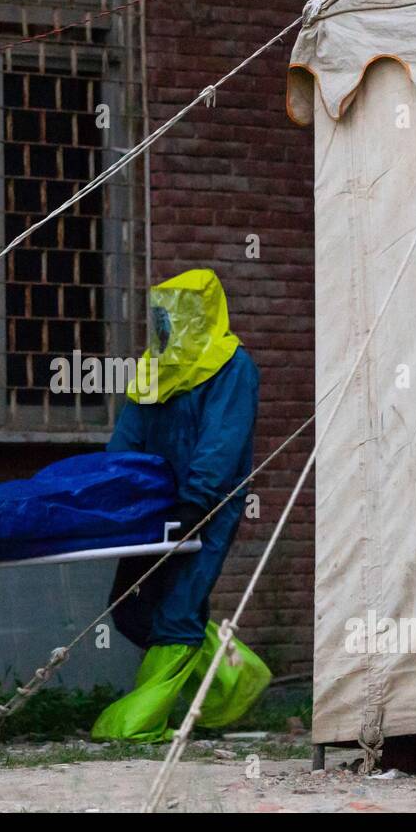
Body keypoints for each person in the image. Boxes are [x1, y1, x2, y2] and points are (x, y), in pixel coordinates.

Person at [92, 269, 271, 743]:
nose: (163, 326)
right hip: (150, 506)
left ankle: (143, 719)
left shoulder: (232, 368)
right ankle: (232, 678)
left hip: (206, 507)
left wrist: (196, 503)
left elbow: (222, 441)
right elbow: (127, 439)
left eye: (170, 316)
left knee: (178, 608)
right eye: (159, 317)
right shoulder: (156, 368)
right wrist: (109, 492)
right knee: (129, 607)